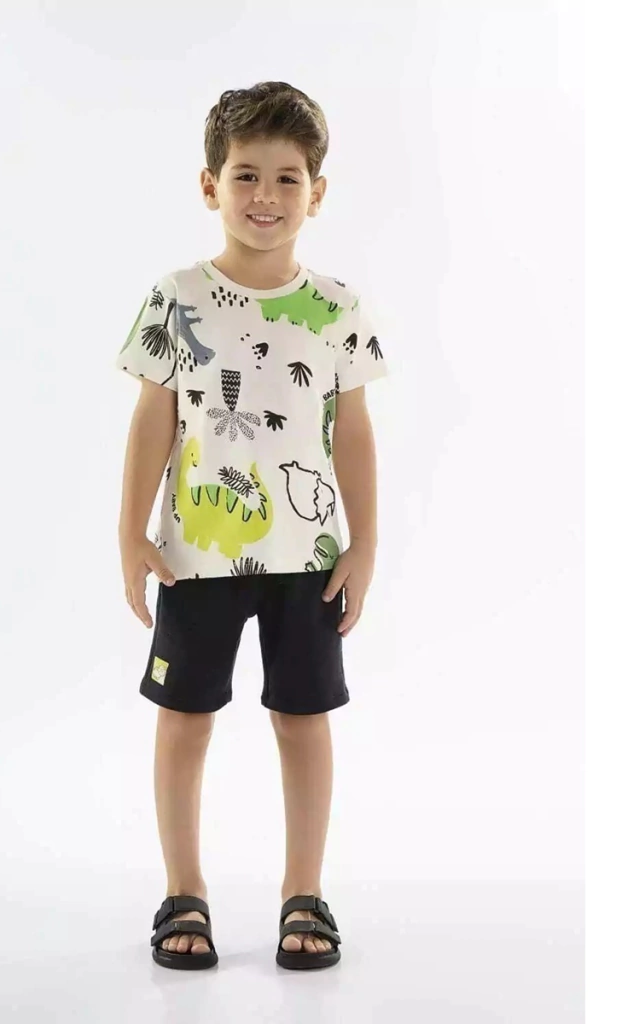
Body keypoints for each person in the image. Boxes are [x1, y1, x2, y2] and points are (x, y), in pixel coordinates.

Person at [116, 81, 387, 971]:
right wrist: (129, 531)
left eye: (286, 178)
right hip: (195, 557)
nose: (264, 196)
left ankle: (303, 891)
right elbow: (153, 419)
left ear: (317, 191)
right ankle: (183, 892)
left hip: (308, 560)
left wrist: (365, 542)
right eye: (245, 176)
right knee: (183, 717)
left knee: (303, 718)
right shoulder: (176, 297)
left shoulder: (337, 307)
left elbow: (352, 430)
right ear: (210, 186)